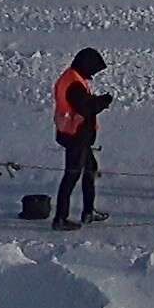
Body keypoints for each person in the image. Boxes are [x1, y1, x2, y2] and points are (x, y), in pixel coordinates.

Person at [51, 48, 112, 229]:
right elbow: (85, 107)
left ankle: (88, 211)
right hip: (76, 135)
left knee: (90, 169)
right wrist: (103, 101)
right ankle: (60, 218)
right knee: (71, 176)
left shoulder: (72, 77)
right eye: (93, 69)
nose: (93, 73)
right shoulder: (74, 83)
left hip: (75, 134)